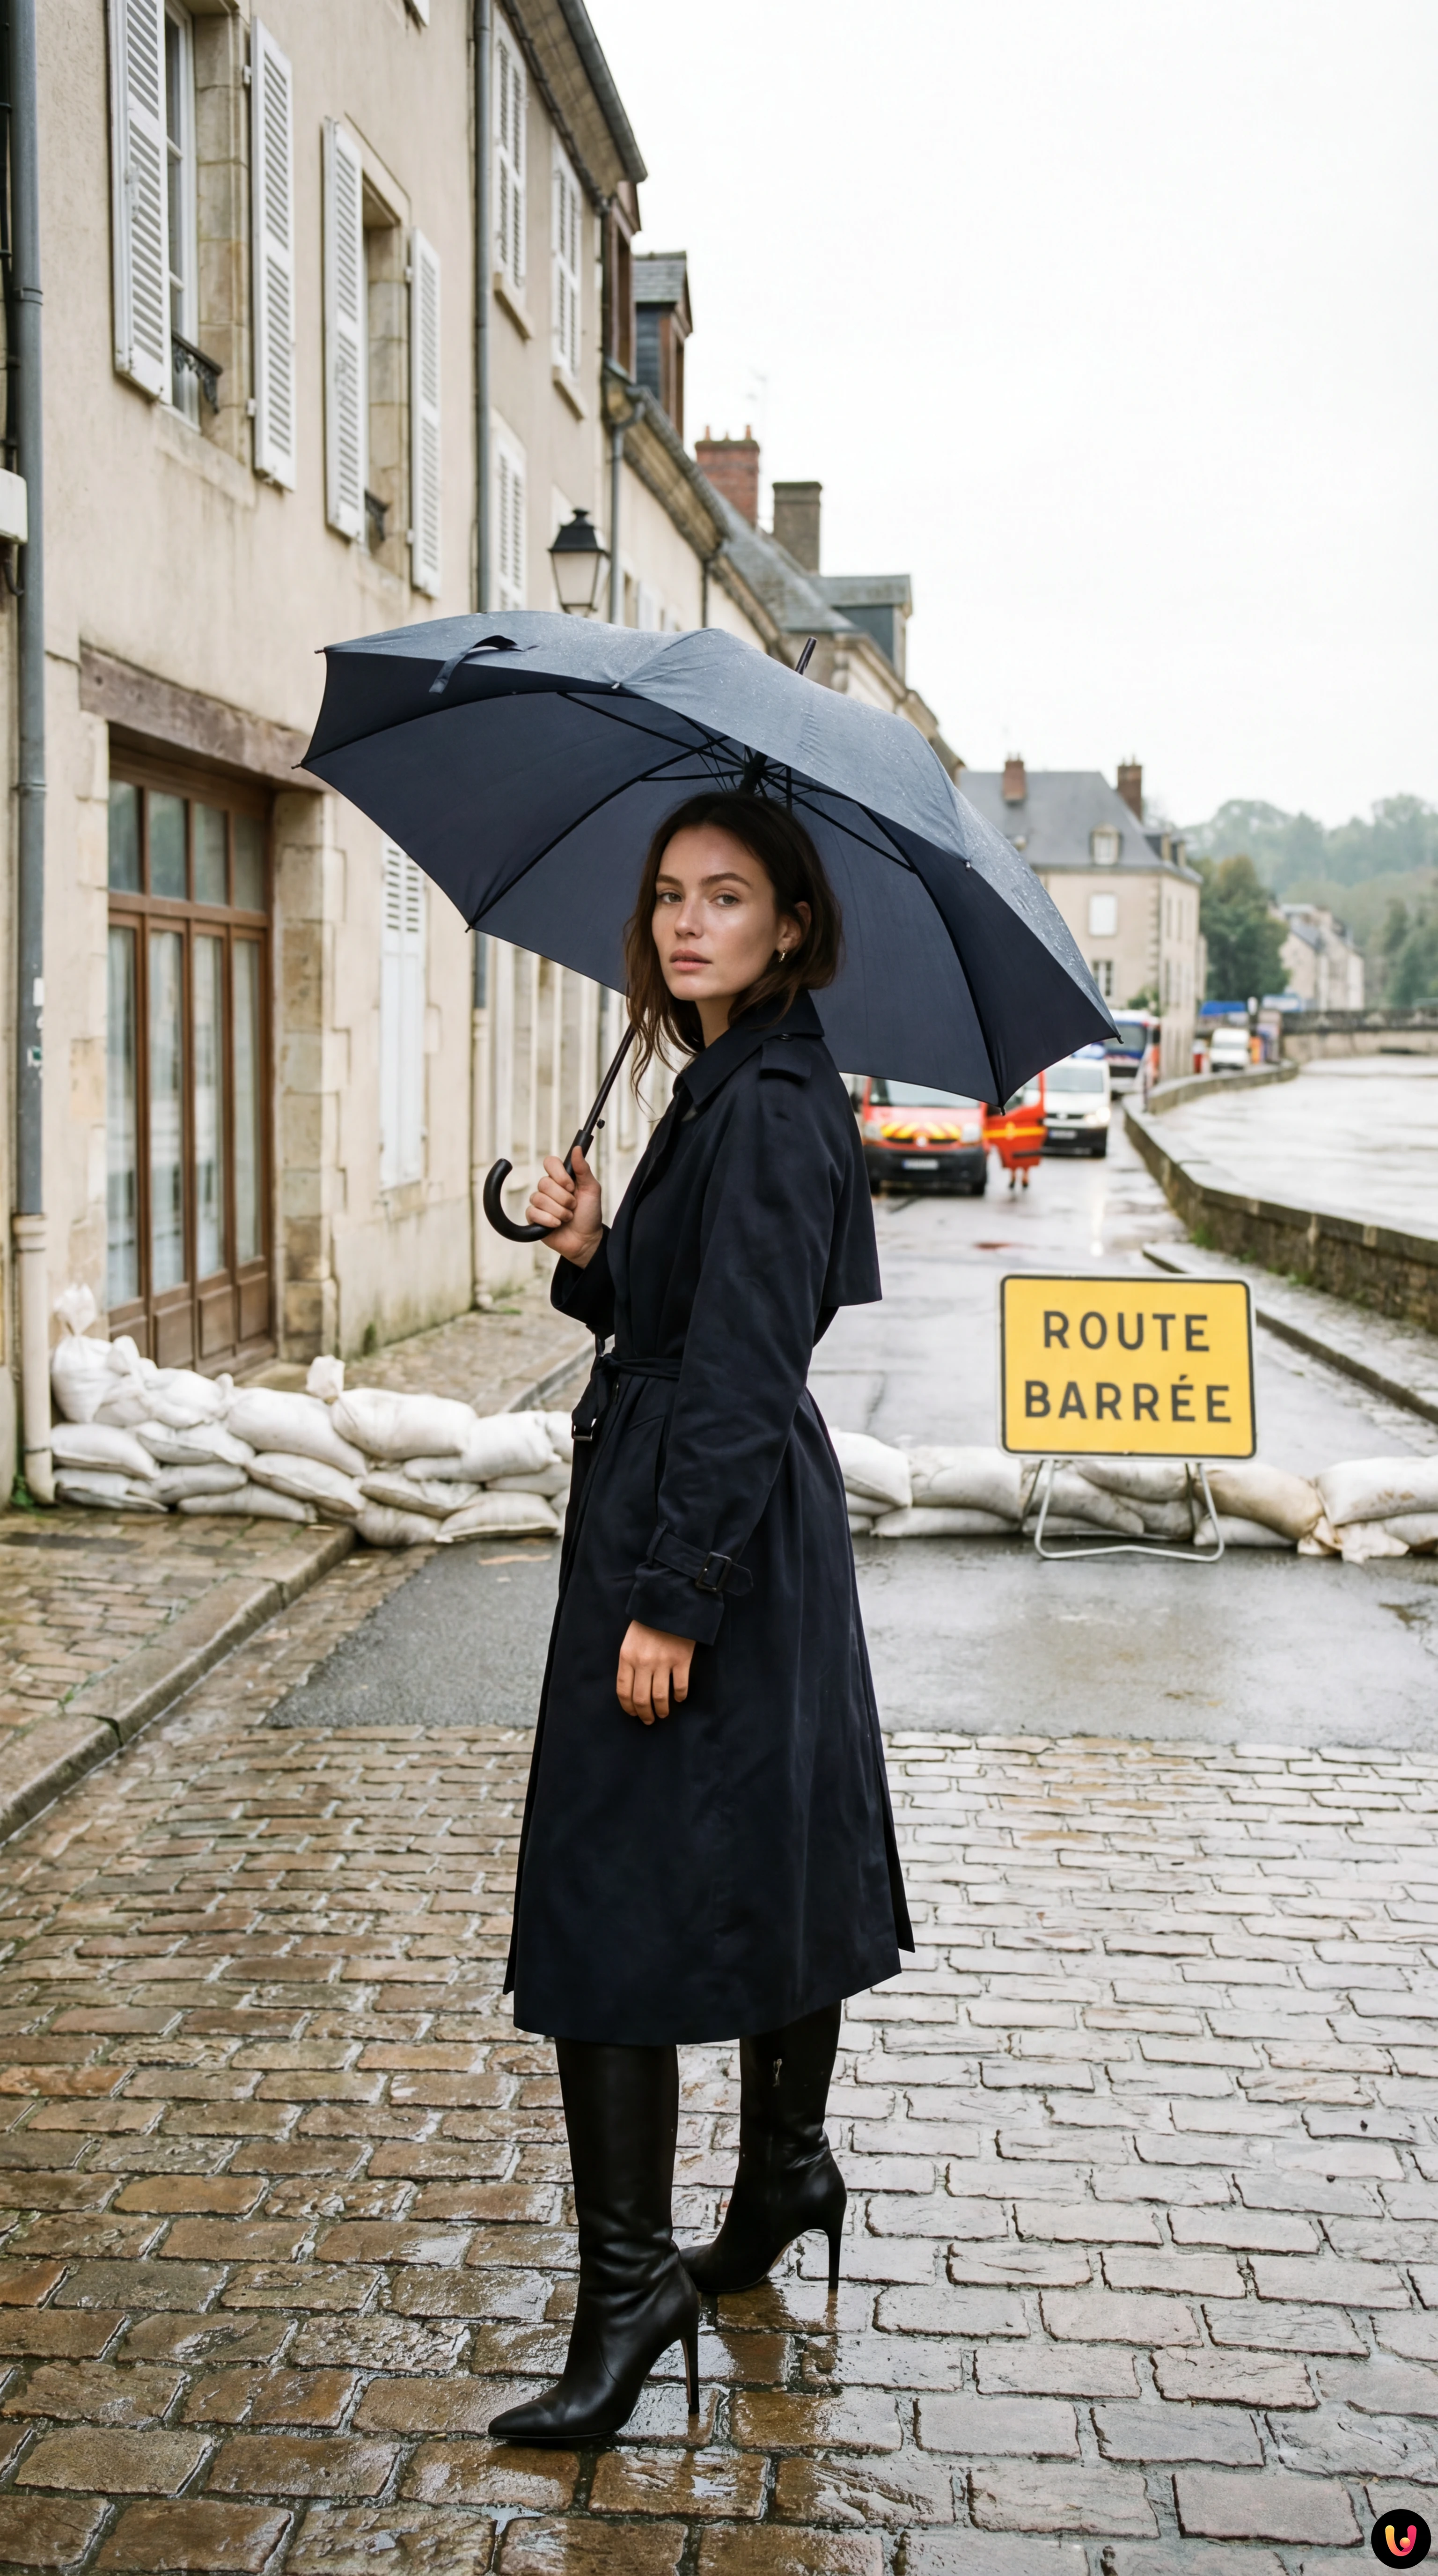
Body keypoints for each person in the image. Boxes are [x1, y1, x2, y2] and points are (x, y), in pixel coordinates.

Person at [489, 790, 913, 2448]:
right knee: (762, 1853)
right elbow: (672, 1318)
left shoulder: (777, 1107)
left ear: (791, 925)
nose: (685, 924)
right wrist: (593, 1250)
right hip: (718, 1512)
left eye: (726, 899)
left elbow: (741, 1369)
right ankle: (786, 2172)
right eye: (670, 895)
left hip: (704, 1527)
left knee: (606, 1893)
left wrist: (671, 1600)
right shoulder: (728, 1084)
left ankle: (630, 2290)